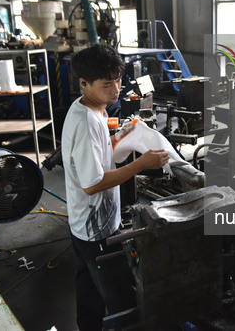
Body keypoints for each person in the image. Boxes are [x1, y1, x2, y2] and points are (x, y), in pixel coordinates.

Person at [61, 44, 169, 330]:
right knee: (121, 298)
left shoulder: (90, 109)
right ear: (84, 83)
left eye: (118, 80)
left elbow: (95, 158)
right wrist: (141, 164)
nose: (116, 89)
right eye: (107, 84)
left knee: (89, 294)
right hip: (97, 230)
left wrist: (119, 138)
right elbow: (92, 184)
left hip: (82, 225)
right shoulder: (86, 123)